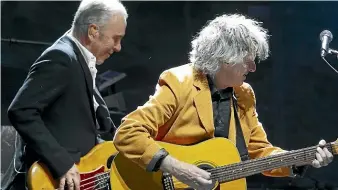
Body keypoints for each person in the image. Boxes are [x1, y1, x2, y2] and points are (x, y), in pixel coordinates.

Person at [113, 14, 333, 189]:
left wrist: (300, 159)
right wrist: (178, 168)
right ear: (226, 57)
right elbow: (128, 133)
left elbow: (260, 152)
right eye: (248, 60)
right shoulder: (179, 82)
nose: (254, 68)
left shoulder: (245, 94)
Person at [2, 0, 127, 189]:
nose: (118, 47)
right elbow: (21, 111)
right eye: (115, 38)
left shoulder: (78, 58)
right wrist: (62, 163)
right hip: (44, 180)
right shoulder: (61, 58)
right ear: (93, 31)